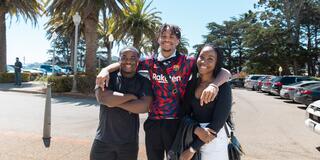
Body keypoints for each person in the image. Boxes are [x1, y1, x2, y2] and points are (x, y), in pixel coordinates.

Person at [96, 24, 231, 160]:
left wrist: (214, 85)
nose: (167, 39)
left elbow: (224, 72)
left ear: (178, 41)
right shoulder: (149, 61)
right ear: (158, 39)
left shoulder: (187, 62)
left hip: (176, 123)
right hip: (153, 122)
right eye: (164, 36)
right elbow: (126, 63)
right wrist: (105, 70)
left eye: (172, 37)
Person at [90, 46, 153, 160]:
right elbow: (102, 98)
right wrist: (131, 97)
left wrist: (113, 102)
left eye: (132, 58)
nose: (128, 61)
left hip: (128, 144)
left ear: (138, 61)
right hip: (103, 141)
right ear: (119, 60)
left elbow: (145, 106)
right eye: (124, 57)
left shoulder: (144, 82)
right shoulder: (107, 77)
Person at [179, 44, 232, 160]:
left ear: (216, 63)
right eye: (201, 57)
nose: (204, 61)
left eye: (210, 59)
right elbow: (184, 113)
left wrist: (192, 149)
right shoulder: (191, 85)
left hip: (215, 142)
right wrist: (195, 129)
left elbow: (216, 125)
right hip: (193, 134)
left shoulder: (223, 87)